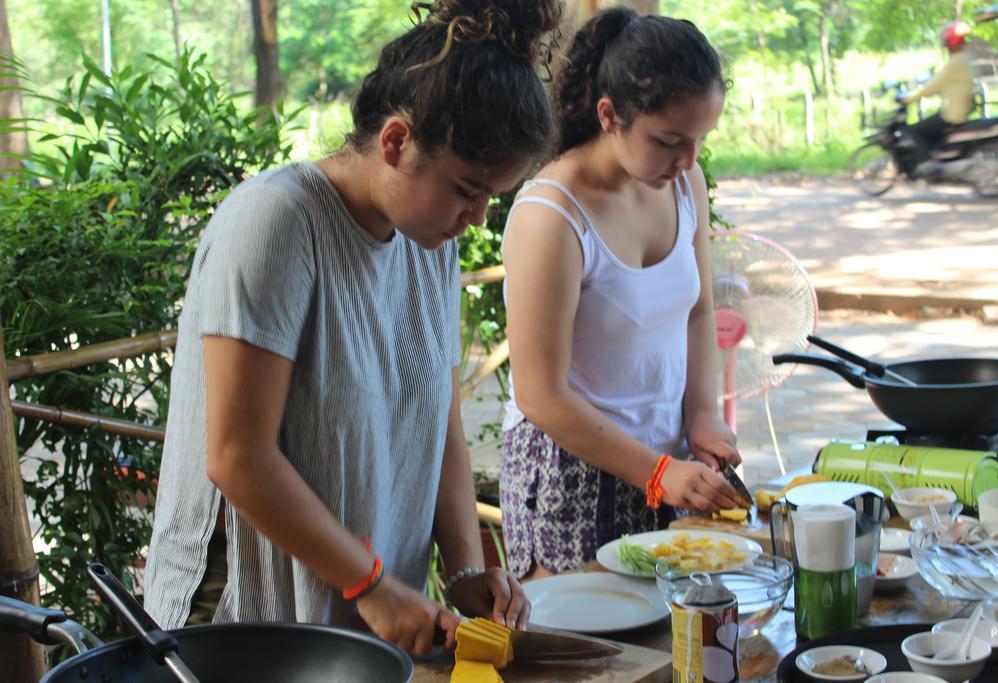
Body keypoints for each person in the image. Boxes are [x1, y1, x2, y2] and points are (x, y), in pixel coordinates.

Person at [144, 0, 563, 656]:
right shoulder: (275, 224)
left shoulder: (429, 240)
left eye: (492, 198)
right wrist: (367, 581)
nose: (477, 218)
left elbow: (439, 419)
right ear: (395, 141)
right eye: (467, 189)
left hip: (362, 617)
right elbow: (236, 457)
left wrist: (464, 571)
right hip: (242, 618)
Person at [499, 7, 743, 581]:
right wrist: (656, 471)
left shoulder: (686, 185)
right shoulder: (550, 216)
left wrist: (702, 415)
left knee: (677, 647)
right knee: (594, 660)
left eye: (701, 139)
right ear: (609, 115)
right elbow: (540, 395)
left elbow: (699, 310)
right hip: (570, 473)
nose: (688, 160)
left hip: (667, 460)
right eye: (669, 140)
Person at [899, 21, 977, 176]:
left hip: (952, 114)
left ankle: (927, 165)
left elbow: (934, 84)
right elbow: (948, 84)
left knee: (914, 130)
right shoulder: (965, 59)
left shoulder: (957, 62)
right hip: (960, 110)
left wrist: (908, 99)